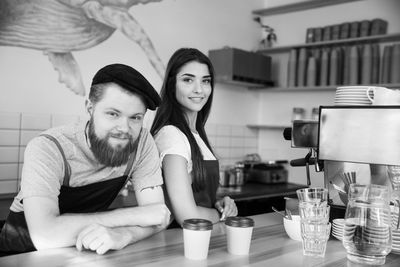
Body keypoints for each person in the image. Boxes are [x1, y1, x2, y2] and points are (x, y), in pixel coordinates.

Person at [0, 64, 170, 255]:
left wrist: (125, 235)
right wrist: (134, 215)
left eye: (135, 118)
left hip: (84, 253)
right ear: (90, 107)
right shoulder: (49, 147)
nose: (124, 128)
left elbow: (157, 217)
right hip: (22, 253)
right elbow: (44, 235)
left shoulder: (142, 143)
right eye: (113, 114)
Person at [150, 48, 237, 227]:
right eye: (188, 80)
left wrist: (220, 204)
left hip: (202, 238)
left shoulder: (195, 134)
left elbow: (198, 197)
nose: (199, 89)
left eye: (205, 81)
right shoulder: (171, 135)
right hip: (181, 243)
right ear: (171, 84)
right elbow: (188, 217)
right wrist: (220, 215)